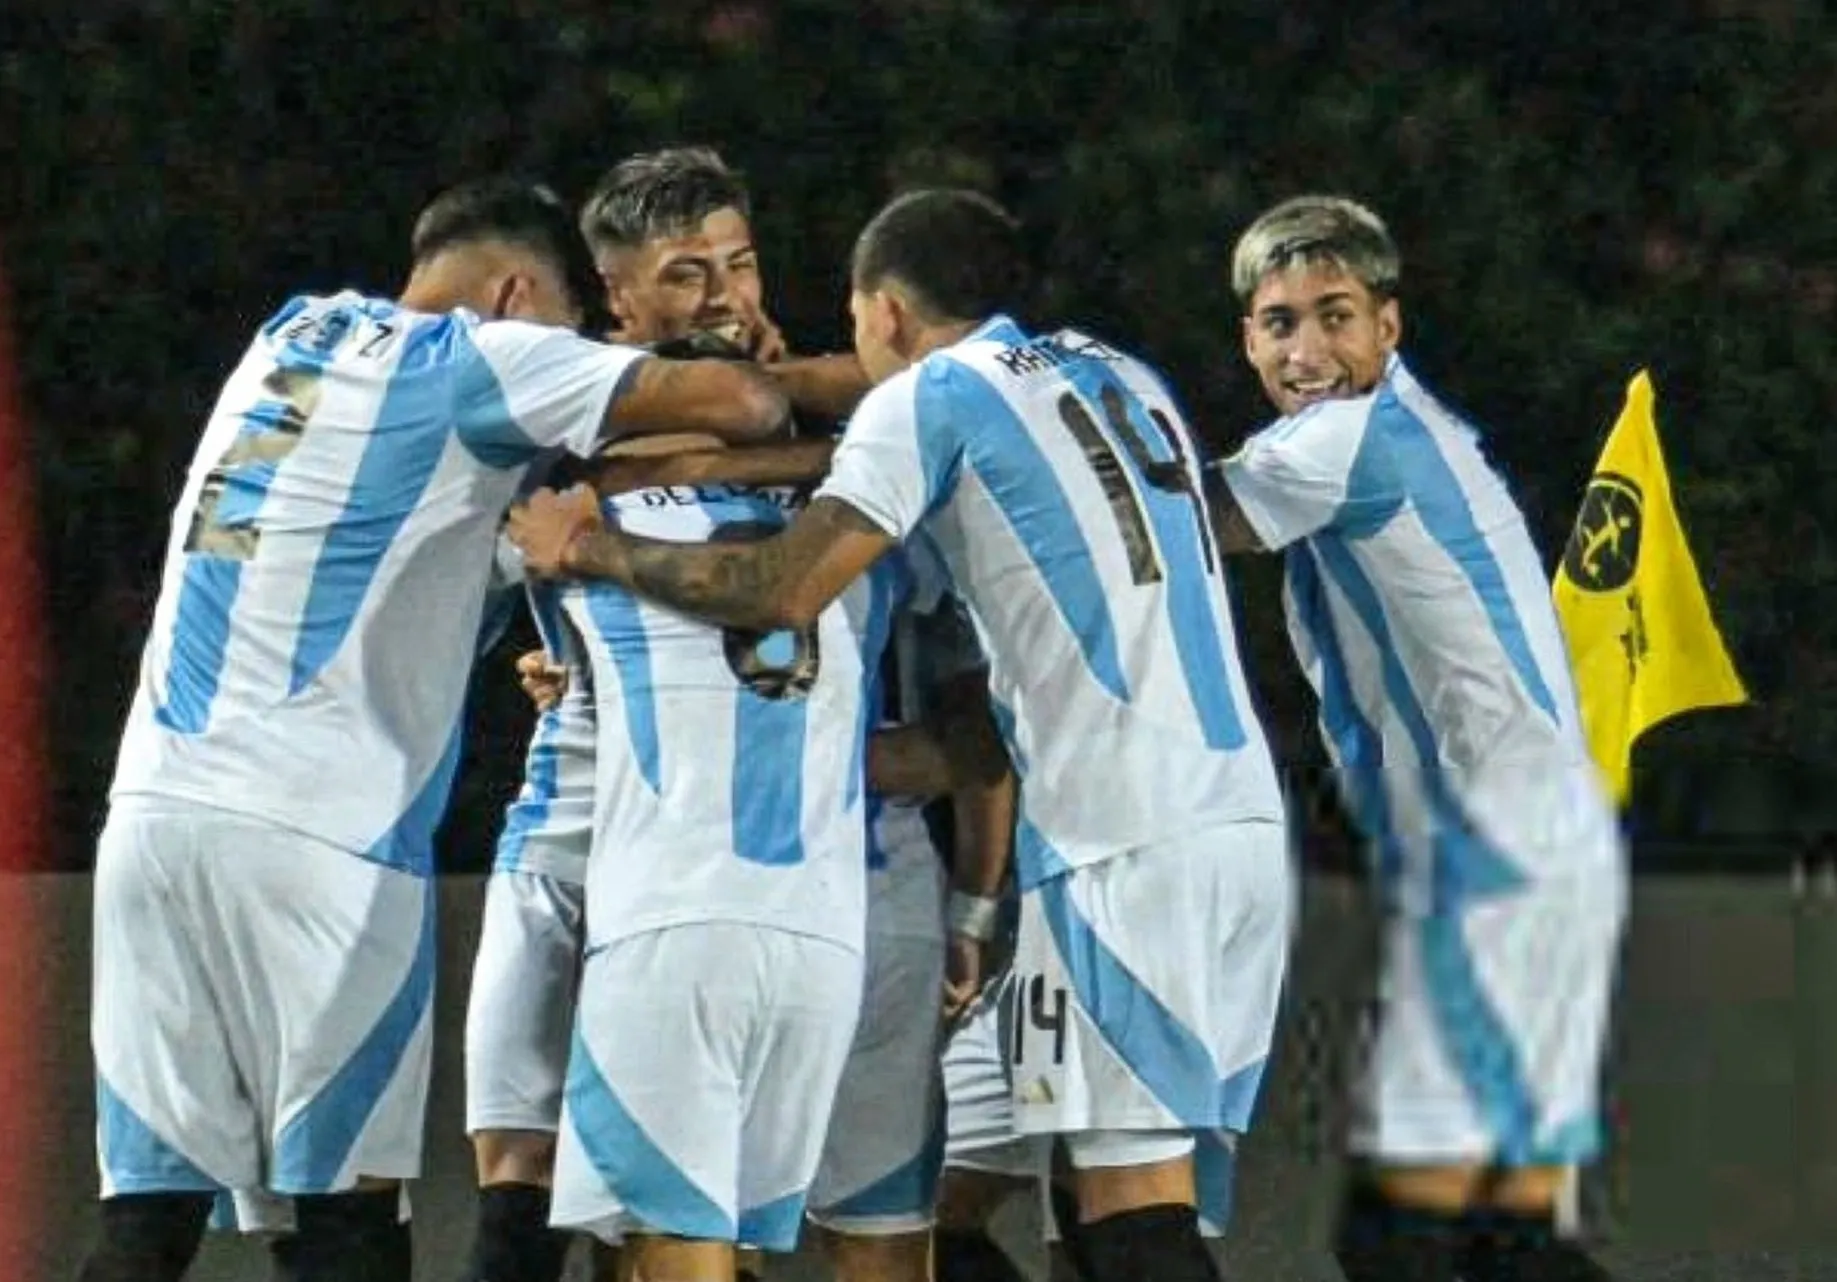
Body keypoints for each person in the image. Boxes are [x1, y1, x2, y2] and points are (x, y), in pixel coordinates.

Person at [508, 187, 1293, 1282]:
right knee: (1048, 1197)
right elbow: (824, 405)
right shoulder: (1119, 373)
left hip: (1119, 834)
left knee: (1128, 1212)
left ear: (881, 311)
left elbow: (781, 585)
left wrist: (590, 546)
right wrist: (729, 431)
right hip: (1237, 821)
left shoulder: (929, 402)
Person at [82, 177, 789, 1282]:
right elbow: (745, 408)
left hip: (151, 817)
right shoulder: (478, 354)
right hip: (320, 840)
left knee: (147, 1217)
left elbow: (385, 537)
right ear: (514, 292)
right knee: (347, 1218)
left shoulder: (289, 335)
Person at [1206, 194, 1627, 1282]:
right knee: (1497, 1236)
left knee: (1406, 1235)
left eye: (1332, 314)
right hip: (1530, 852)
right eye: (1279, 322)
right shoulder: (1399, 424)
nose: (1305, 347)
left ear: (1387, 326)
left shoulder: (1343, 441)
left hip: (1497, 858)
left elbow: (1166, 525)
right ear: (1247, 338)